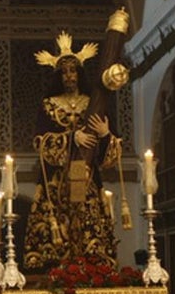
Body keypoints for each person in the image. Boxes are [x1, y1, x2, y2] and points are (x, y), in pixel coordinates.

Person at [22, 14, 127, 271]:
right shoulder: (49, 105)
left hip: (86, 175)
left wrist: (104, 134)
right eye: (65, 72)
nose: (69, 76)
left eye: (73, 71)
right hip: (57, 179)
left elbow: (110, 155)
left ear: (80, 74)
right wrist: (71, 137)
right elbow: (40, 141)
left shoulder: (93, 104)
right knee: (57, 224)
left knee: (89, 217)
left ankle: (91, 265)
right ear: (59, 76)